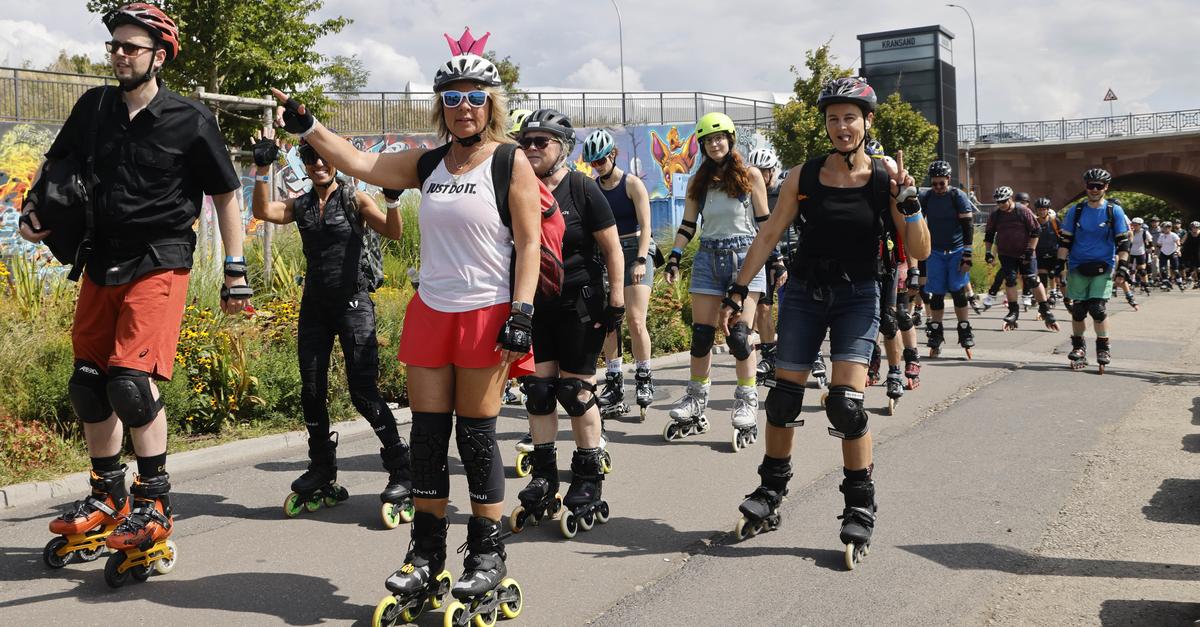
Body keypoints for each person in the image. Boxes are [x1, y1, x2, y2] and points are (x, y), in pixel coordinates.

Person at [269, 32, 537, 613]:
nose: (463, 105)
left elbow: (530, 241)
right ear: (440, 104)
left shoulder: (510, 160)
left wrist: (522, 312)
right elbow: (359, 162)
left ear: (491, 103)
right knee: (427, 439)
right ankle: (426, 554)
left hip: (486, 312)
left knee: (477, 436)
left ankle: (487, 557)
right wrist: (308, 126)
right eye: (452, 95)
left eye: (474, 95)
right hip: (432, 312)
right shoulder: (428, 163)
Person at [23, 3, 250, 583]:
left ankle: (155, 500)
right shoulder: (94, 107)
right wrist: (33, 208)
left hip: (160, 260)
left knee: (130, 381)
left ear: (159, 55)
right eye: (116, 46)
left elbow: (227, 195)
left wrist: (234, 269)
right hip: (100, 258)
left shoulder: (190, 120)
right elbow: (57, 165)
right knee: (89, 383)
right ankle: (107, 496)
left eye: (133, 47)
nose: (121, 55)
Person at [724, 77, 930, 569]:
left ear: (867, 122)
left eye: (850, 117)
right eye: (834, 118)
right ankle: (771, 491)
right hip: (803, 294)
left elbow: (918, 250)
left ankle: (859, 502)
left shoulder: (886, 180)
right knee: (783, 397)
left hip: (858, 295)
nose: (841, 126)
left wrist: (911, 202)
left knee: (846, 404)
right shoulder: (804, 175)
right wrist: (738, 289)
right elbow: (770, 233)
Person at [249, 131, 414, 526]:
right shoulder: (302, 204)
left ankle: (401, 468)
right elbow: (264, 212)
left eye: (325, 158)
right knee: (311, 391)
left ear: (335, 162)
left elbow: (394, 233)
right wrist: (260, 169)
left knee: (363, 392)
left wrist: (391, 200)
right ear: (304, 165)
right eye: (311, 159)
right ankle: (322, 468)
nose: (319, 164)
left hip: (354, 303)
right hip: (315, 307)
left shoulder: (354, 199)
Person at [510, 110, 623, 539]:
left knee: (575, 393)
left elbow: (611, 247)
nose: (533, 147)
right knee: (538, 392)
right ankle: (544, 476)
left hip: (579, 302)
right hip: (535, 304)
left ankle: (589, 475)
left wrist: (615, 299)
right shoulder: (516, 188)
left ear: (562, 147)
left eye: (543, 140)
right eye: (528, 141)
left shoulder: (582, 188)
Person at [663, 112, 775, 451]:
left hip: (745, 259)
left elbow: (765, 222)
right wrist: (675, 256)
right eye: (709, 140)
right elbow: (687, 225)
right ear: (702, 146)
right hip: (709, 259)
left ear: (730, 140)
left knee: (740, 337)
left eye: (720, 138)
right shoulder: (699, 181)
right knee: (700, 337)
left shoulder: (750, 176)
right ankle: (697, 401)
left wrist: (778, 260)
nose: (715, 144)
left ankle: (746, 401)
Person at [585, 129, 657, 421]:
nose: (598, 165)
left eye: (602, 159)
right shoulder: (592, 187)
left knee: (636, 320)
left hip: (635, 249)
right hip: (607, 255)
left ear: (613, 155)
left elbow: (647, 225)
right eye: (594, 162)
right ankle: (614, 382)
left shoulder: (632, 184)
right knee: (609, 320)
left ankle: (644, 377)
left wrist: (640, 259)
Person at [1058, 168, 1131, 373]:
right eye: (1091, 186)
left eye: (1099, 186)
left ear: (1106, 187)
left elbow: (1123, 243)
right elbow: (1066, 240)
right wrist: (1059, 266)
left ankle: (1103, 347)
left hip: (1103, 266)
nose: (1095, 189)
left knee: (1097, 309)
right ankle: (1078, 347)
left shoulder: (1113, 211)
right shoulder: (1076, 210)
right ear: (1086, 187)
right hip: (1077, 266)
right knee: (1079, 310)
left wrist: (1123, 268)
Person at [918, 160, 976, 358]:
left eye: (941, 183)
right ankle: (936, 331)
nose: (938, 188)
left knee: (958, 291)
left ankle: (964, 328)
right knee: (937, 294)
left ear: (948, 180)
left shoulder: (957, 196)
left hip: (957, 249)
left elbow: (968, 225)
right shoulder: (926, 197)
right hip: (934, 251)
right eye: (934, 184)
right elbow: (918, 223)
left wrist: (968, 254)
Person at [983, 186, 1058, 331]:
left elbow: (1036, 231)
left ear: (1010, 199)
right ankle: (1013, 311)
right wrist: (988, 252)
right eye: (998, 202)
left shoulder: (1022, 211)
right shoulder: (996, 215)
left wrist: (1031, 249)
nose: (1001, 204)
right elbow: (989, 235)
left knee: (1032, 280)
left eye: (1003, 201)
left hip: (1026, 252)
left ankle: (1045, 310)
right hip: (1006, 253)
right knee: (1010, 280)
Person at [745, 147, 789, 385]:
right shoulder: (749, 192)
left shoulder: (783, 192)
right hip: (760, 254)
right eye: (756, 171)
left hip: (782, 252)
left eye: (764, 171)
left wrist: (780, 259)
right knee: (763, 308)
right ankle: (769, 356)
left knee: (790, 308)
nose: (760, 176)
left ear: (773, 171)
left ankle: (811, 353)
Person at [1128, 217, 1154, 295]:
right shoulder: (1130, 232)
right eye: (1134, 224)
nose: (1135, 226)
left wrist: (1151, 251)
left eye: (1137, 225)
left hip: (1141, 253)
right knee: (1131, 270)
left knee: (1142, 271)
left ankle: (1145, 285)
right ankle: (1132, 283)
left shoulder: (1144, 232)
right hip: (1131, 253)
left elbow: (1150, 243)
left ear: (1140, 225)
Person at [1156, 221, 1183, 291]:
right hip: (1163, 253)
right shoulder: (1161, 236)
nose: (1165, 229)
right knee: (1162, 269)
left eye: (1167, 228)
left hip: (1173, 252)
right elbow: (1158, 245)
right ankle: (1166, 282)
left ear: (1170, 228)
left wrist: (1178, 250)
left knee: (1176, 270)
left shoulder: (1173, 235)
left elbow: (1179, 244)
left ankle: (1180, 282)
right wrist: (1156, 252)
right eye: (1164, 228)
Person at [1181, 221, 1200, 289]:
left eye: (1196, 227)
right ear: (1191, 228)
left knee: (1198, 268)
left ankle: (1198, 281)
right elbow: (1182, 242)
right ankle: (1189, 279)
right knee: (1188, 267)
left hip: (1198, 252)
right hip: (1188, 252)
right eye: (1193, 227)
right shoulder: (1188, 234)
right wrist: (1180, 249)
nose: (1195, 229)